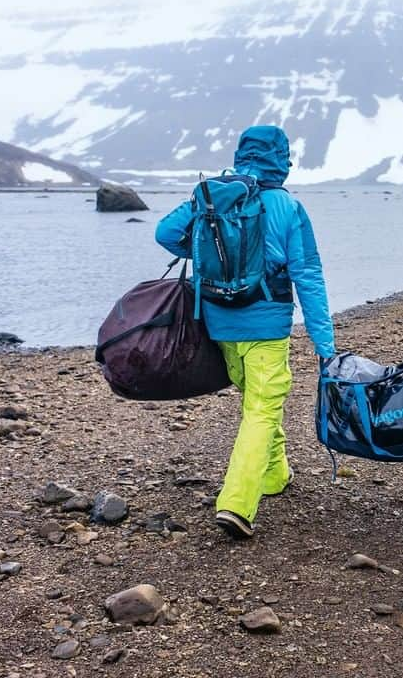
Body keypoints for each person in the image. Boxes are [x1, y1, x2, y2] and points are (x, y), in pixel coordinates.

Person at [156, 125, 335, 539]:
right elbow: (308, 276)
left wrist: (204, 250)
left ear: (241, 154)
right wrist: (325, 345)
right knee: (263, 408)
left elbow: (165, 233)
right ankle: (237, 503)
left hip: (218, 324)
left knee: (257, 401)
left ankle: (275, 475)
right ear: (281, 159)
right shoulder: (288, 208)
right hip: (266, 325)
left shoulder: (212, 196)